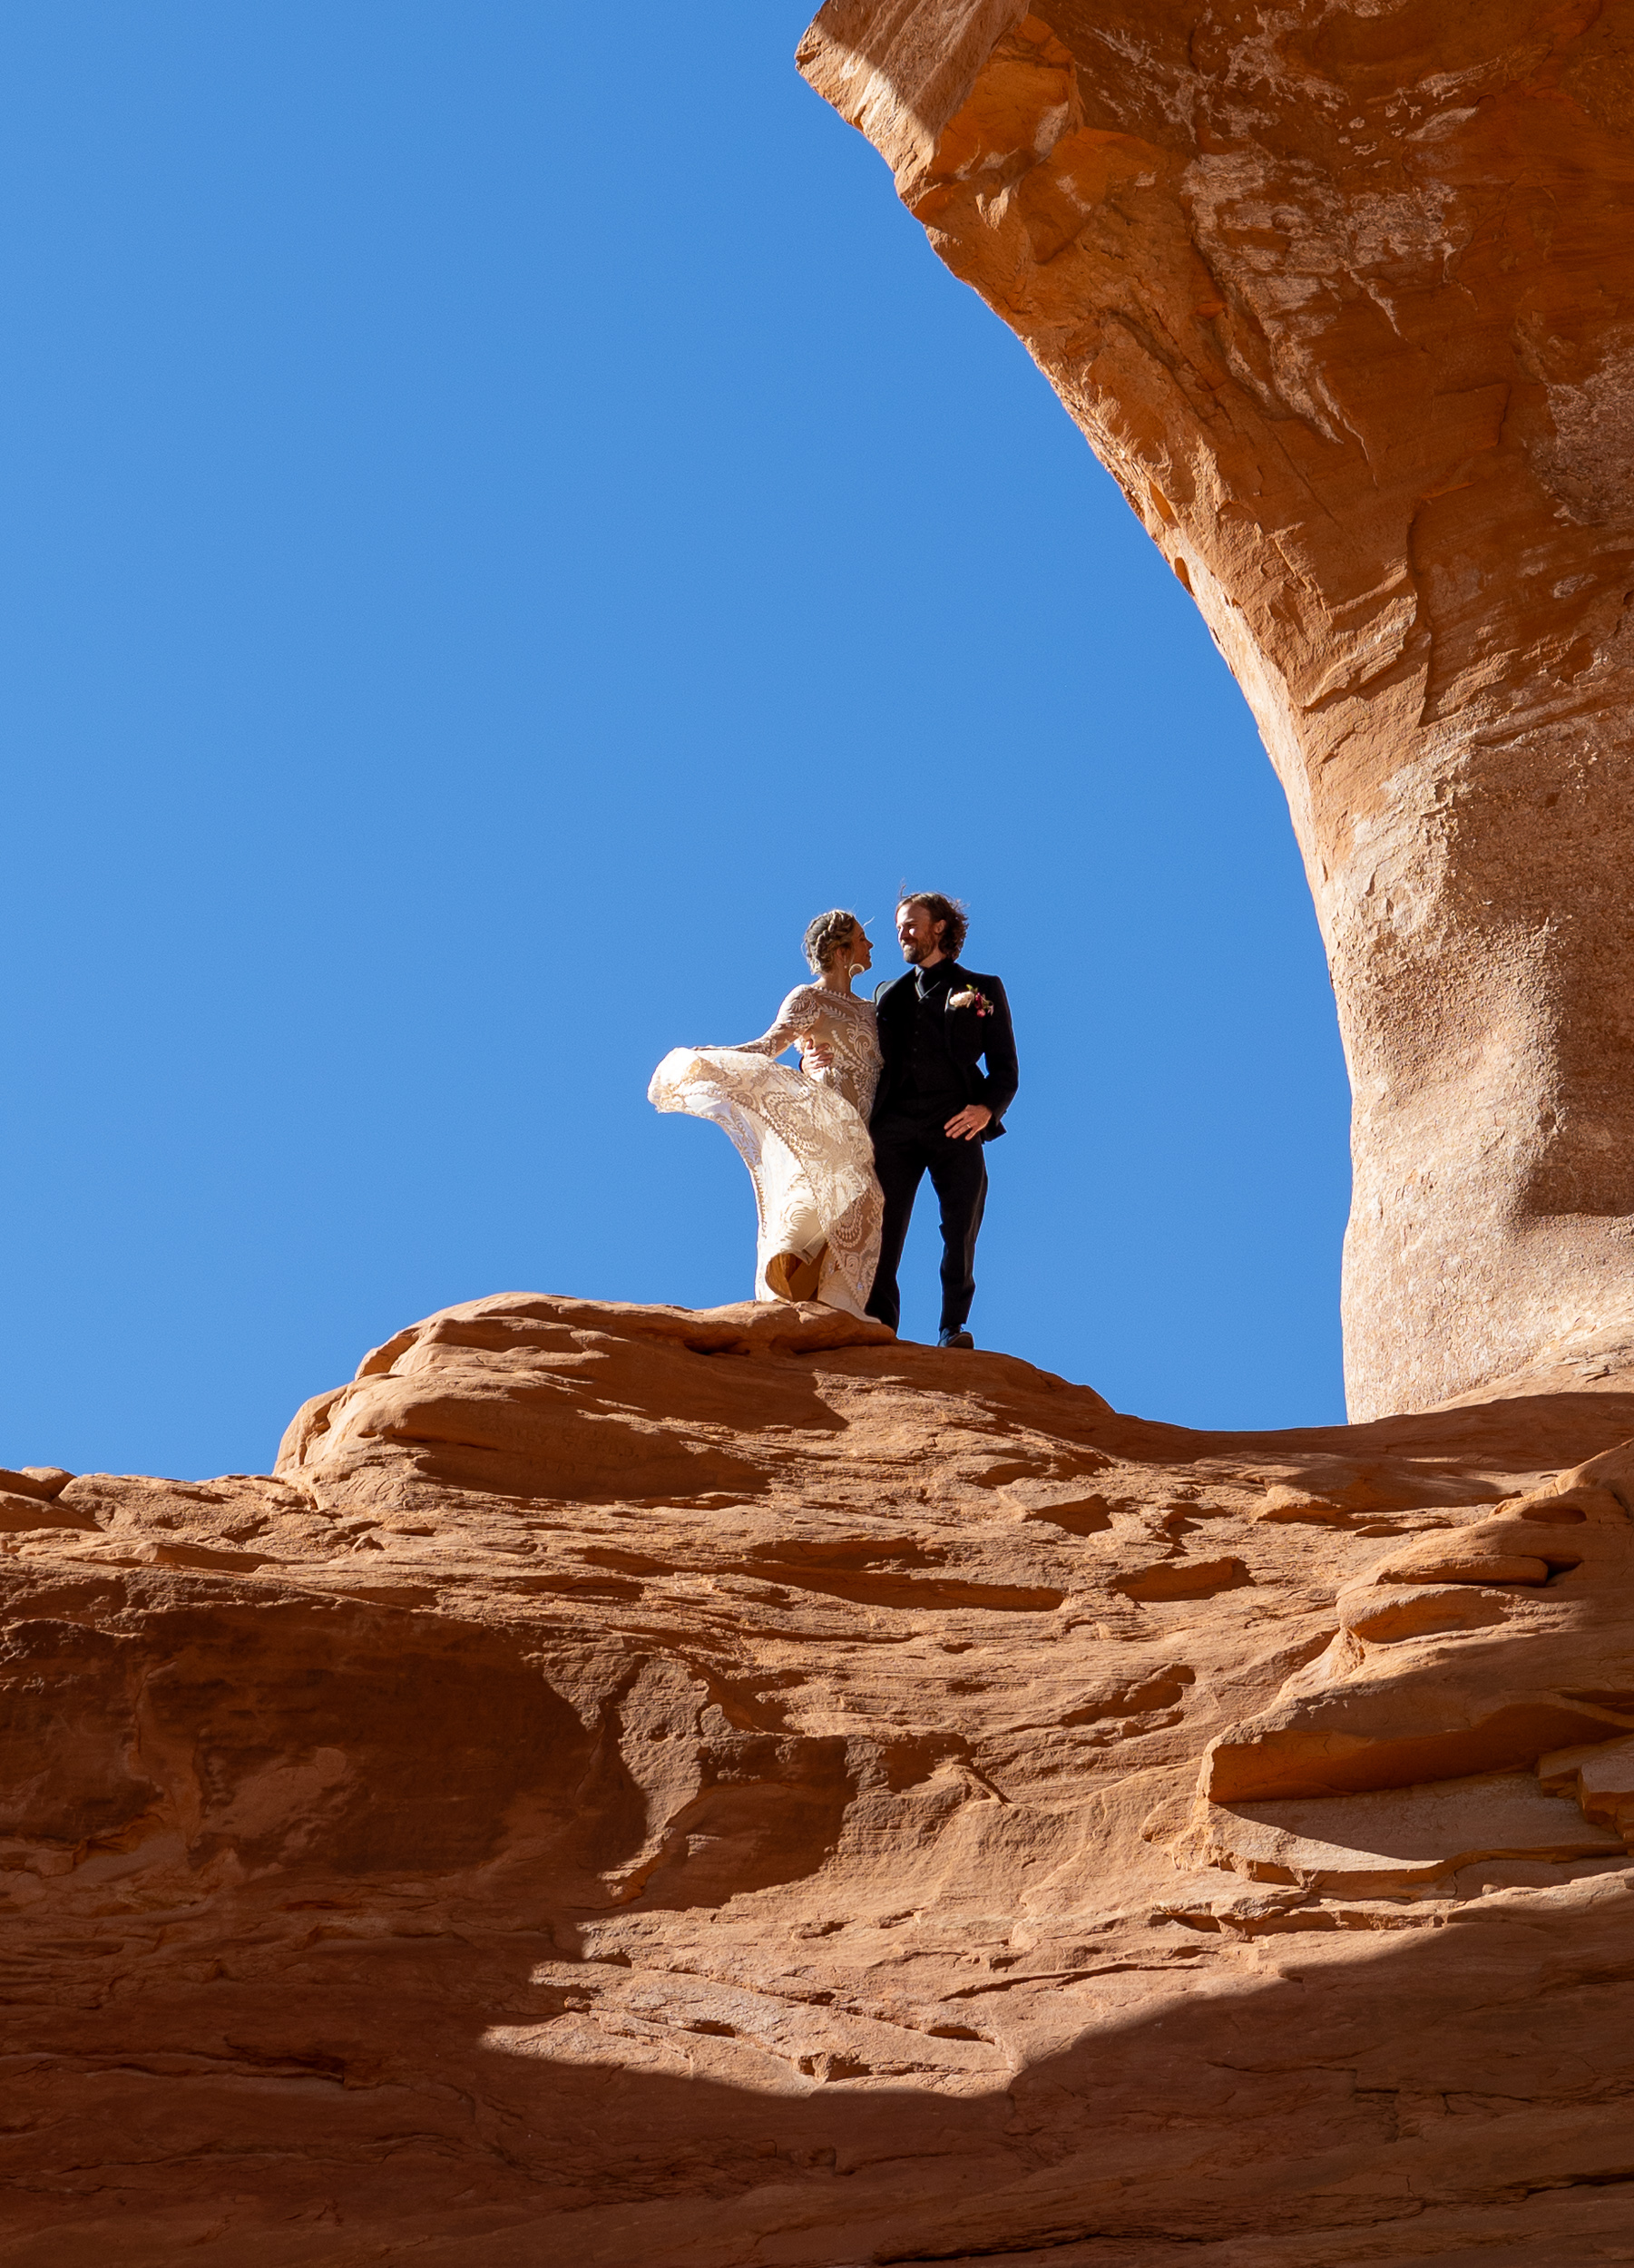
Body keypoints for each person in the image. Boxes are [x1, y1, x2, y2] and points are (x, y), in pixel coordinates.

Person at [648, 912, 884, 1317]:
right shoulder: (808, 998)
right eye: (863, 938)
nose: (872, 945)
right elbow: (768, 1045)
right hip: (828, 1113)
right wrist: (709, 1058)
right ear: (843, 953)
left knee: (856, 1202)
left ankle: (828, 1300)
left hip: (868, 1121)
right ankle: (794, 1273)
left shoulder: (873, 1009)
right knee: (843, 1195)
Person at [855, 892, 1017, 1349]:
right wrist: (815, 1057)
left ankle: (952, 1329)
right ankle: (878, 1324)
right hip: (894, 1126)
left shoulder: (983, 988)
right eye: (899, 928)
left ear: (939, 927)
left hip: (956, 1123)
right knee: (882, 1227)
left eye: (910, 924)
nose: (901, 934)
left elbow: (1006, 1069)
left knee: (961, 1225)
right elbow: (860, 1053)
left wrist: (986, 1109)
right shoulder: (887, 993)